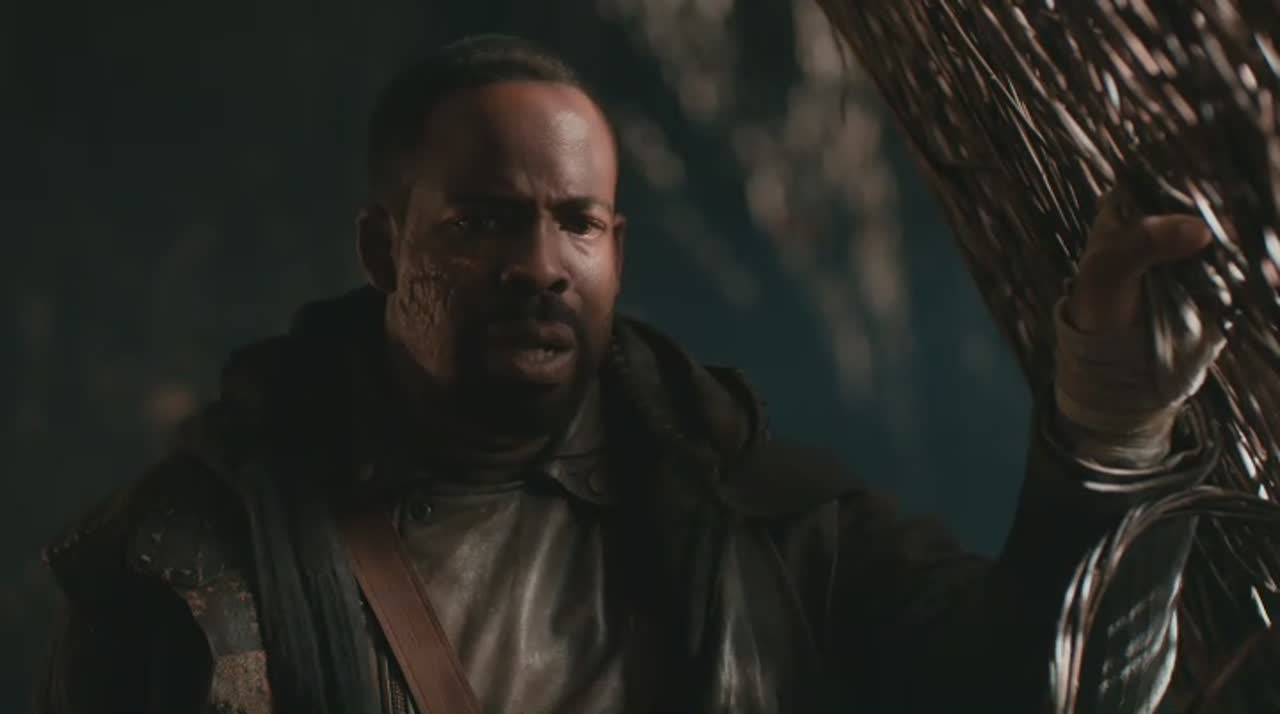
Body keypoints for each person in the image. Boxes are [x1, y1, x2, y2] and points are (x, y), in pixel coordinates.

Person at [36, 34, 1227, 714]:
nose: (538, 266)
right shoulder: (192, 558)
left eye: (577, 223)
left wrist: (1110, 424)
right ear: (382, 248)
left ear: (616, 251)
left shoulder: (759, 521)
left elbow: (1047, 694)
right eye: (482, 222)